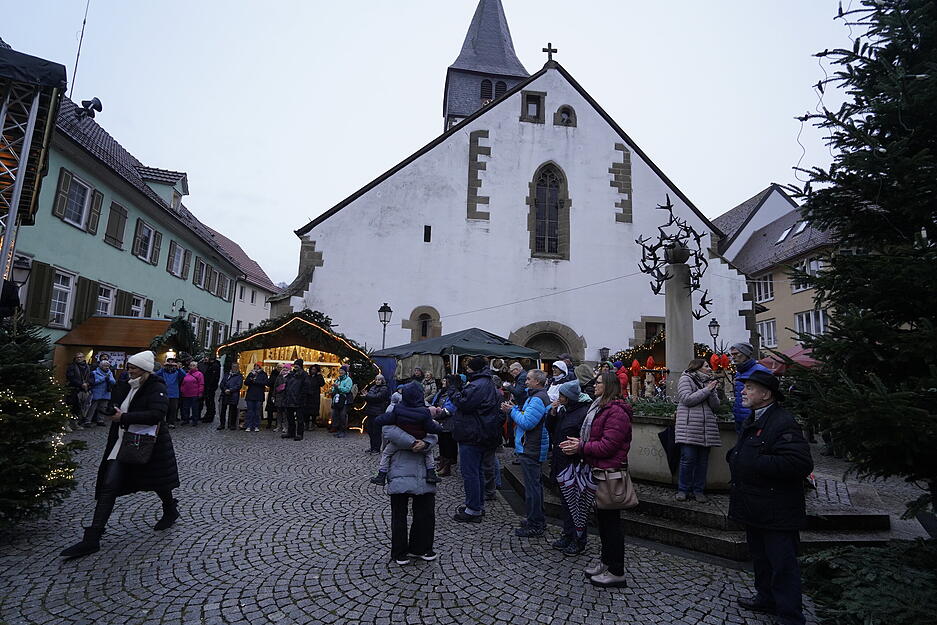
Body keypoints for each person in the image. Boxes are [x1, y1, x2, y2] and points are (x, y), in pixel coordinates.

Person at [59, 350, 181, 558]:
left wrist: (124, 417)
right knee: (109, 486)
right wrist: (111, 411)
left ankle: (170, 509)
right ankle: (93, 538)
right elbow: (117, 405)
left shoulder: (156, 387)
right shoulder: (126, 384)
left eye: (133, 368)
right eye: (129, 367)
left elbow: (157, 414)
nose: (129, 370)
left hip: (148, 444)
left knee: (159, 482)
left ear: (144, 370)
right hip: (122, 443)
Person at [728, 370, 812, 625]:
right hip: (755, 505)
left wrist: (753, 461)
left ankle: (789, 615)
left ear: (766, 394)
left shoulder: (783, 422)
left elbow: (799, 463)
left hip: (777, 508)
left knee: (782, 563)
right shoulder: (754, 418)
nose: (743, 391)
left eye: (750, 388)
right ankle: (765, 598)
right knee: (761, 558)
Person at [559, 372, 632, 588]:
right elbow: (596, 438)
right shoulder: (600, 406)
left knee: (612, 525)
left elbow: (608, 446)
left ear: (608, 386)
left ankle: (616, 570)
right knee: (603, 523)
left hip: (609, 473)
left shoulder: (616, 412)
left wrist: (580, 447)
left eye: (598, 382)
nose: (594, 386)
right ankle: (606, 562)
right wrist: (580, 441)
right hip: (597, 470)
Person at [449, 357, 501, 523]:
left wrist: (453, 390)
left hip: (473, 433)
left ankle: (473, 510)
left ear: (474, 369)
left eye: (468, 368)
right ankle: (477, 505)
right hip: (480, 432)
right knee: (477, 471)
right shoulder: (486, 382)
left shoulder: (478, 385)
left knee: (470, 472)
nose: (467, 370)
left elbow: (464, 403)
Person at [383, 422, 439, 565]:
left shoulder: (424, 407)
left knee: (425, 512)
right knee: (399, 514)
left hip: (423, 470)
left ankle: (419, 548)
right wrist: (414, 442)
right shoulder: (394, 406)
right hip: (400, 468)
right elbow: (388, 430)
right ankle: (399, 551)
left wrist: (426, 443)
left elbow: (435, 430)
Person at [503, 368, 550, 537]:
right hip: (531, 446)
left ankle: (535, 523)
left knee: (532, 488)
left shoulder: (537, 398)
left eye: (529, 379)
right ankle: (535, 518)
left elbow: (527, 422)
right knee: (534, 486)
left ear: (537, 382)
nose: (526, 381)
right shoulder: (535, 396)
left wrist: (512, 411)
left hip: (532, 447)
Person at [548, 379, 591, 555]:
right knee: (566, 503)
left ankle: (578, 539)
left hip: (574, 464)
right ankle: (568, 534)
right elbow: (552, 429)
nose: (559, 398)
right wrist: (552, 413)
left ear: (570, 397)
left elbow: (585, 439)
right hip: (561, 461)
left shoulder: (582, 413)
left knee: (577, 504)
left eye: (562, 395)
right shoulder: (564, 410)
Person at [370, 382, 442, 485]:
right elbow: (431, 427)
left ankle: (381, 475)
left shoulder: (398, 409)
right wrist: (439, 427)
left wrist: (378, 419)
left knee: (386, 453)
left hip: (398, 444)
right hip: (419, 442)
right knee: (428, 454)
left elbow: (385, 419)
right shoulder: (424, 412)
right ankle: (431, 474)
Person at [674, 358, 722, 502]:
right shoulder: (685, 379)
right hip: (689, 427)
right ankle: (683, 490)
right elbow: (687, 399)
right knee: (687, 459)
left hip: (706, 428)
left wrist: (712, 391)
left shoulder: (708, 381)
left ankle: (698, 490)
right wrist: (707, 390)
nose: (709, 368)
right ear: (697, 367)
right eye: (706, 366)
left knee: (702, 461)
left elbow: (715, 406)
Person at [729, 342, 771, 435]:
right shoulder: (739, 372)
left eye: (736, 354)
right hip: (739, 418)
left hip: (755, 418)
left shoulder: (761, 370)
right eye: (732, 355)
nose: (733, 357)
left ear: (745, 353)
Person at [428, 375, 459, 475]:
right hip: (442, 422)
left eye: (446, 381)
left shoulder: (454, 393)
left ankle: (446, 467)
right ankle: (442, 464)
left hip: (449, 423)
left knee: (448, 446)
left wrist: (436, 415)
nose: (443, 382)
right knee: (442, 445)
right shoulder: (444, 392)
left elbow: (450, 409)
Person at [363, 374, 391, 453]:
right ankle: (372, 447)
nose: (377, 381)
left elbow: (378, 397)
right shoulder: (373, 387)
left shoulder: (384, 388)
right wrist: (368, 396)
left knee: (376, 431)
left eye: (379, 379)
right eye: (376, 379)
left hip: (378, 412)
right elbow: (371, 397)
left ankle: (377, 448)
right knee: (370, 430)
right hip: (370, 411)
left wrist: (367, 396)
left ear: (382, 380)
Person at [281, 359, 308, 440]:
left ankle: (300, 434)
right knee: (290, 417)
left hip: (299, 400)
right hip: (289, 399)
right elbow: (287, 386)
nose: (296, 366)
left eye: (297, 365)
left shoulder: (304, 375)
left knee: (300, 418)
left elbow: (306, 388)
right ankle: (291, 432)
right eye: (295, 365)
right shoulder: (291, 374)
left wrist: (301, 397)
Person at [85, 359, 116, 428]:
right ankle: (88, 421)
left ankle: (100, 420)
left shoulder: (110, 373)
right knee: (92, 408)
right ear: (101, 366)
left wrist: (109, 379)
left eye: (108, 366)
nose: (107, 367)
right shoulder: (94, 373)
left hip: (106, 393)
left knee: (103, 407)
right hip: (96, 393)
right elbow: (93, 382)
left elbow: (113, 382)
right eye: (105, 366)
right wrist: (103, 378)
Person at [155, 359, 185, 429]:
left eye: (172, 363)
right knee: (164, 409)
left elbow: (184, 375)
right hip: (164, 393)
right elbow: (156, 374)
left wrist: (178, 367)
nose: (170, 365)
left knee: (173, 409)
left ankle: (171, 422)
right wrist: (163, 367)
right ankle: (163, 422)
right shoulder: (163, 372)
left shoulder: (177, 372)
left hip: (174, 394)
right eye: (169, 363)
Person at [66, 352, 92, 429]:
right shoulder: (72, 367)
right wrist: (81, 384)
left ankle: (75, 423)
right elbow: (71, 377)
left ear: (84, 358)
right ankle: (67, 424)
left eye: (81, 357)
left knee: (80, 408)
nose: (79, 358)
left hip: (84, 390)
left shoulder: (88, 367)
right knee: (71, 407)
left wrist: (88, 383)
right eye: (78, 357)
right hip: (74, 390)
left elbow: (91, 377)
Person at [330, 365, 353, 438]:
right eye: (340, 371)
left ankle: (343, 431)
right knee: (336, 415)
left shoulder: (348, 380)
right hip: (337, 400)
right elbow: (334, 390)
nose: (341, 372)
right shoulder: (338, 379)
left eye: (342, 371)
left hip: (344, 401)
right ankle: (338, 430)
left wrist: (338, 387)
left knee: (343, 416)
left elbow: (347, 389)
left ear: (345, 372)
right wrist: (334, 388)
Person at [218, 362, 243, 431]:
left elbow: (239, 385)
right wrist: (225, 389)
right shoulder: (227, 375)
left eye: (236, 367)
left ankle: (232, 424)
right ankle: (222, 424)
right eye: (233, 366)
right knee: (223, 410)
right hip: (225, 394)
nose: (234, 368)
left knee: (233, 411)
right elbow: (222, 383)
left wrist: (230, 390)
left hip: (233, 395)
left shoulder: (239, 376)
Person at [244, 364, 268, 432]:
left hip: (259, 395)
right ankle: (248, 425)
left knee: (257, 412)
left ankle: (256, 425)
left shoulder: (263, 374)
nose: (256, 367)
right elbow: (246, 382)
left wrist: (255, 381)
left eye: (257, 366)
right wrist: (251, 378)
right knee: (250, 411)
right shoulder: (251, 373)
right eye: (255, 366)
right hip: (250, 395)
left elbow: (265, 383)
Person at [179, 361, 204, 426]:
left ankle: (194, 420)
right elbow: (183, 383)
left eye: (193, 365)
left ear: (196, 367)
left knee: (194, 408)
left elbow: (201, 384)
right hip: (185, 394)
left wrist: (200, 392)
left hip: (194, 394)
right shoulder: (186, 374)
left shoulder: (199, 374)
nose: (192, 367)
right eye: (191, 365)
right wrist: (182, 390)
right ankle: (185, 419)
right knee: (185, 408)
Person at [199, 355, 221, 423]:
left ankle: (209, 416)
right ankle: (208, 415)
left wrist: (209, 387)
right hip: (209, 387)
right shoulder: (212, 365)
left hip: (210, 387)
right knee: (209, 402)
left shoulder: (214, 366)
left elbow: (213, 378)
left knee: (210, 402)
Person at [304, 364, 325, 429]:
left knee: (314, 412)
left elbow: (322, 384)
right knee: (306, 411)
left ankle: (313, 424)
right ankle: (306, 424)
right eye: (312, 369)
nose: (313, 371)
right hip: (307, 396)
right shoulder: (307, 377)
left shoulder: (318, 377)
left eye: (314, 370)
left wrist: (319, 375)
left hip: (315, 396)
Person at [265, 364, 282, 430]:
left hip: (279, 394)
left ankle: (278, 424)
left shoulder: (282, 375)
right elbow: (269, 383)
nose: (280, 369)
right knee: (270, 410)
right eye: (279, 367)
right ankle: (269, 423)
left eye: (281, 367)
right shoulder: (273, 374)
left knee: (279, 410)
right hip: (272, 393)